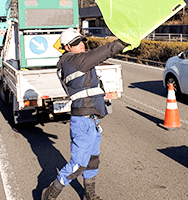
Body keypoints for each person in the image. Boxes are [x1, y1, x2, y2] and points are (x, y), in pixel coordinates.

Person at [41, 28, 126, 200]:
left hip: (91, 119)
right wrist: (123, 43)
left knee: (93, 159)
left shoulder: (76, 60)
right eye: (75, 43)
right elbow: (103, 52)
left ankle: (89, 194)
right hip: (82, 121)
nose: (81, 45)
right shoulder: (73, 61)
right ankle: (50, 193)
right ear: (67, 47)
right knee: (78, 163)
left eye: (82, 41)